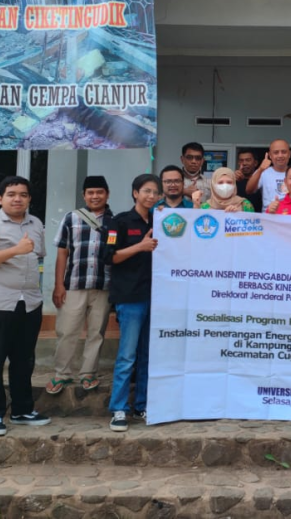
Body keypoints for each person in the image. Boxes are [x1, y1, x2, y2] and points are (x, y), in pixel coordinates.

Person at [0, 176, 49, 436]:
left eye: (23, 194)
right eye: (11, 194)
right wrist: (15, 250)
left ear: (29, 199)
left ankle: (22, 410)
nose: (18, 198)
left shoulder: (36, 224)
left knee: (23, 361)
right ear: (0, 198)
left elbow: (38, 258)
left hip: (29, 303)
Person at [46, 176, 113, 395]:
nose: (95, 196)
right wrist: (58, 285)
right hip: (74, 284)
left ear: (107, 194)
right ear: (84, 195)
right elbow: (62, 253)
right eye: (91, 192)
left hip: (103, 285)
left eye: (100, 192)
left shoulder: (115, 221)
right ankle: (62, 374)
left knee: (97, 333)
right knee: (67, 331)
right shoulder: (71, 218)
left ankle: (88, 374)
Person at [105, 174, 161, 432]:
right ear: (135, 193)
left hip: (157, 297)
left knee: (148, 355)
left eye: (155, 192)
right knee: (127, 356)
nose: (151, 196)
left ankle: (143, 404)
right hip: (130, 298)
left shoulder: (163, 221)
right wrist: (139, 247)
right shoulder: (119, 222)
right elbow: (110, 257)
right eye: (146, 191)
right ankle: (118, 408)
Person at [247, 139, 291, 212]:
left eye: (283, 152)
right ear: (270, 155)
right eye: (276, 152)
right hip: (269, 218)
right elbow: (249, 190)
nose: (280, 155)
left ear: (289, 154)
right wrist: (260, 169)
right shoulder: (263, 172)